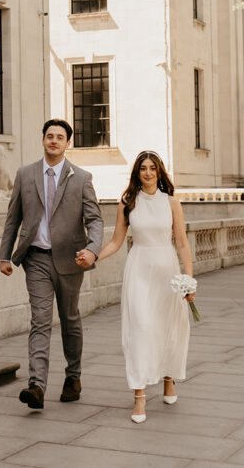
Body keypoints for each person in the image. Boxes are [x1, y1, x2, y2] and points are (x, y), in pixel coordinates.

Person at [0, 119, 103, 409]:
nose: (54, 141)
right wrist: (5, 255)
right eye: (49, 136)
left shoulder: (81, 178)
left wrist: (93, 249)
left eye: (59, 137)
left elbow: (94, 220)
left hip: (71, 260)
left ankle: (73, 376)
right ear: (43, 140)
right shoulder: (25, 174)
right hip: (36, 260)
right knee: (40, 321)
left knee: (70, 320)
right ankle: (37, 386)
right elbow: (13, 217)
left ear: (68, 142)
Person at [91, 150, 194, 424]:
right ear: (137, 173)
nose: (147, 172)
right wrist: (93, 257)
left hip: (167, 270)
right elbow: (115, 241)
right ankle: (139, 396)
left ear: (159, 172)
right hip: (139, 269)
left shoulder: (172, 202)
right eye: (143, 168)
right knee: (141, 328)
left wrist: (189, 279)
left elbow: (182, 242)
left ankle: (169, 378)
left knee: (168, 325)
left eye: (152, 168)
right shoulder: (127, 202)